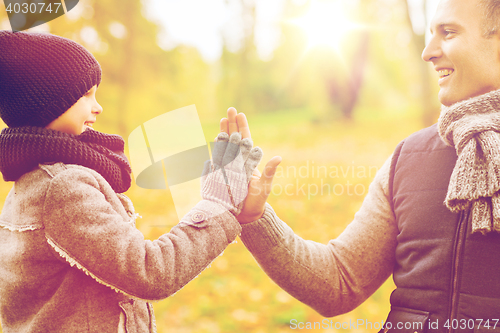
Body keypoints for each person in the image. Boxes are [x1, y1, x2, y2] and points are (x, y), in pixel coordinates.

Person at [226, 0, 500, 331]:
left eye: (449, 33)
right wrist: (256, 219)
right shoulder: (408, 158)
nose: (428, 52)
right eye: (431, 34)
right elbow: (339, 281)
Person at [0, 30, 263, 333]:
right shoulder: (63, 188)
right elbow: (150, 271)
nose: (97, 106)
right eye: (85, 95)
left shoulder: (31, 182)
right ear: (46, 102)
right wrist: (218, 204)